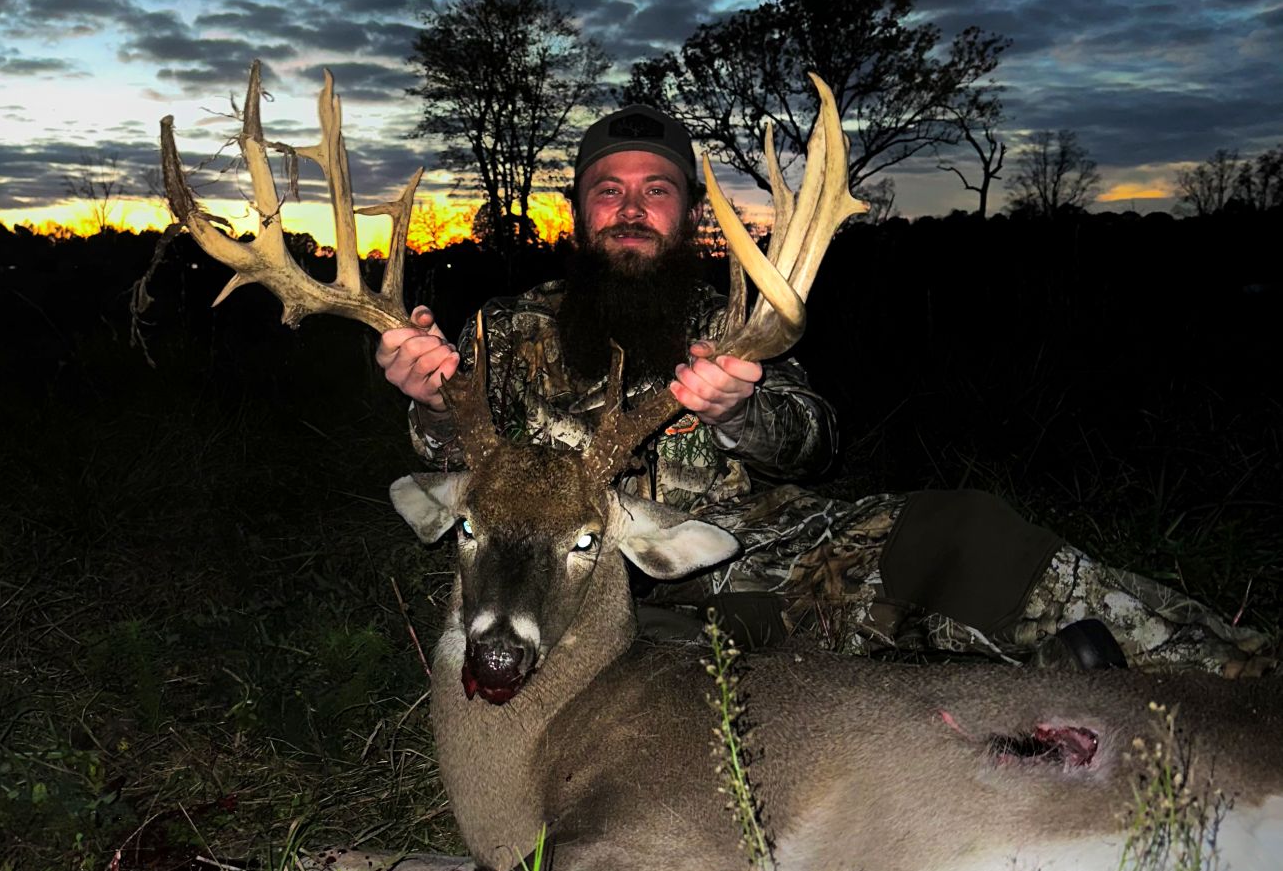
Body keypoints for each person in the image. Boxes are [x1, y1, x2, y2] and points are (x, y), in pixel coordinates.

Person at [376, 106, 1271, 676]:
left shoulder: (738, 318)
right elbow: (457, 465)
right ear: (578, 208)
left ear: (687, 209)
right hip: (566, 593)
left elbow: (816, 441)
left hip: (752, 556)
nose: (632, 207)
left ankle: (1236, 667)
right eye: (608, 190)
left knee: (965, 539)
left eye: (656, 189)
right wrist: (425, 400)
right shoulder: (506, 326)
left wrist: (741, 410)